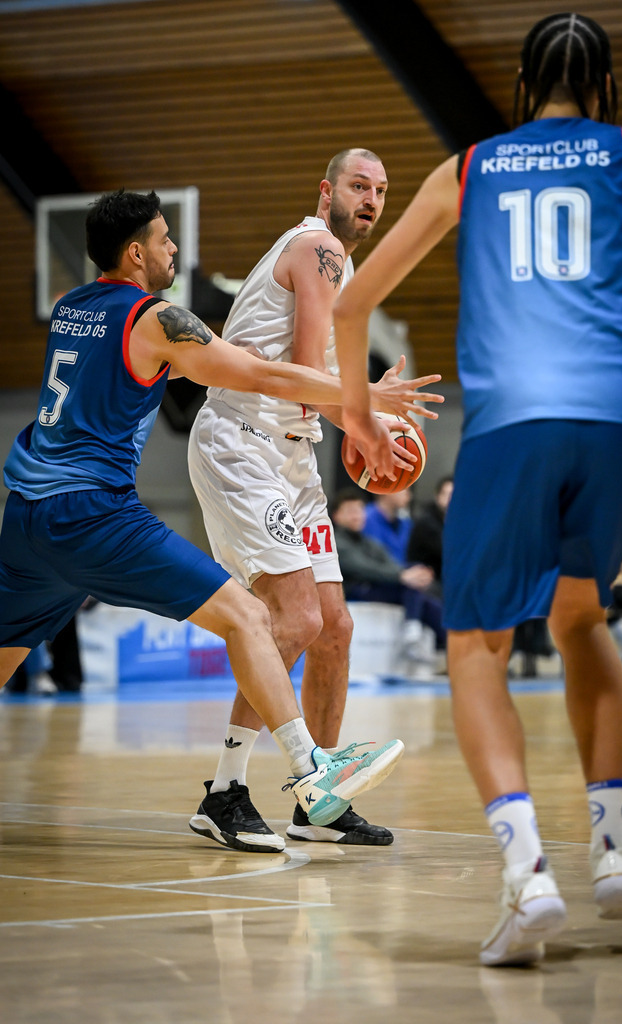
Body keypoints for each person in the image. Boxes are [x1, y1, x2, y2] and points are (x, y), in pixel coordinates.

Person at [333, 13, 622, 966]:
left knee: (475, 644)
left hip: (515, 418)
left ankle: (527, 876)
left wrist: (359, 419)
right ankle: (612, 856)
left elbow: (355, 302)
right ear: (602, 85)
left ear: (522, 84)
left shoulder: (471, 167)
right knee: (580, 618)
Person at [0, 187, 410, 842]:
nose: (173, 249)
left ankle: (247, 790)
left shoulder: (71, 306)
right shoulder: (157, 319)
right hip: (92, 514)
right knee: (251, 616)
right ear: (135, 253)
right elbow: (264, 377)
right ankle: (310, 770)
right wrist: (360, 396)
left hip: (23, 514)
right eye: (164, 239)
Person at [188, 149, 444, 849]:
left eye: (382, 190)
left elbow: (312, 395)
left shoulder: (343, 266)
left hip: (291, 454)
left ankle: (318, 807)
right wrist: (369, 406)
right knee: (293, 619)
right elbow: (302, 377)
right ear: (327, 190)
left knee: (334, 628)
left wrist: (368, 428)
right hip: (242, 442)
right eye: (359, 185)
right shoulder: (317, 246)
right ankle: (225, 791)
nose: (371, 199)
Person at [331, 488, 446, 658]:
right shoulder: (336, 541)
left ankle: (446, 644)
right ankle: (413, 629)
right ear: (336, 516)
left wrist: (409, 573)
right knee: (410, 586)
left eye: (359, 510)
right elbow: (363, 568)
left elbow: (391, 564)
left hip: (374, 586)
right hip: (356, 589)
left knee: (423, 594)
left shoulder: (367, 542)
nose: (356, 515)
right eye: (350, 511)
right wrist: (403, 576)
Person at [406, 474, 454, 593]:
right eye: (447, 494)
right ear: (437, 496)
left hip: (440, 579)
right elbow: (449, 551)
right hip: (422, 580)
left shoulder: (452, 521)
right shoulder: (426, 522)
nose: (450, 500)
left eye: (454, 496)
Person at [362, 490, 414, 566]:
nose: (409, 496)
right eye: (404, 489)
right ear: (387, 490)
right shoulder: (364, 518)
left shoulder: (406, 523)